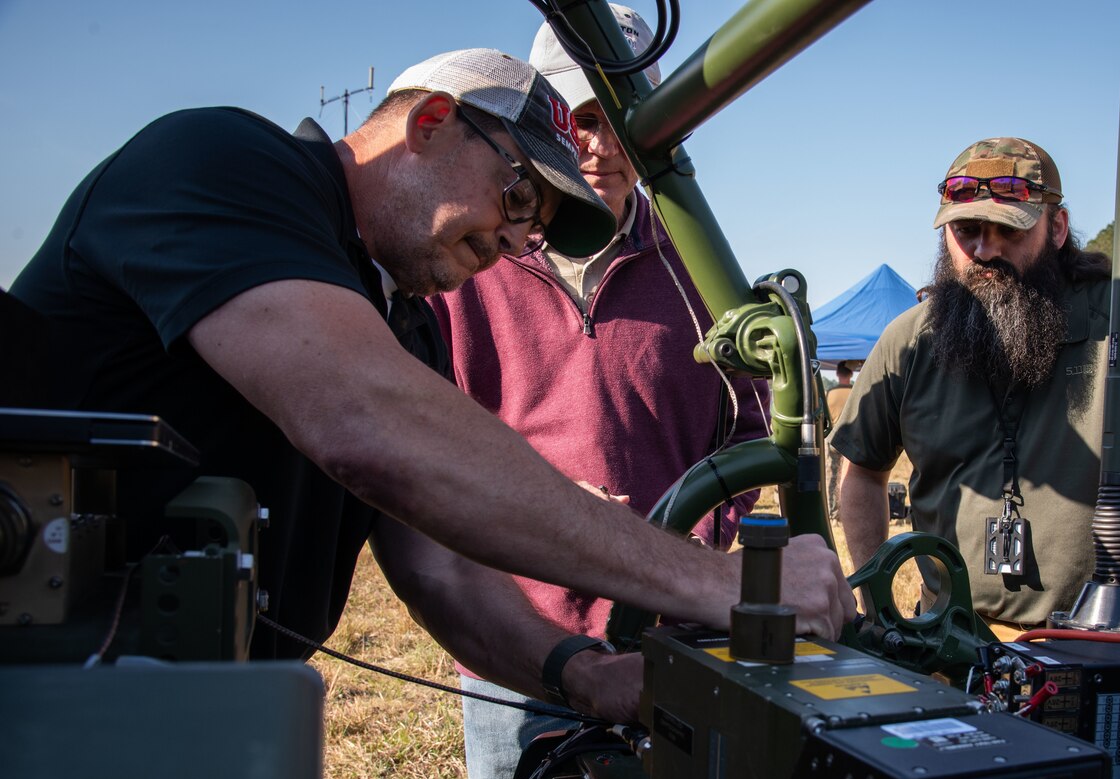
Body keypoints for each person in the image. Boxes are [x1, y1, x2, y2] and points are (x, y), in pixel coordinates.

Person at [4, 49, 853, 716]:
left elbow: (440, 568)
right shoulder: (223, 162)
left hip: (212, 706)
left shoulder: (397, 319)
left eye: (534, 230)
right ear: (434, 122)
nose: (511, 244)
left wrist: (581, 673)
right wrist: (724, 586)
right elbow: (366, 422)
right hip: (51, 684)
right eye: (518, 198)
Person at [427, 9, 771, 779]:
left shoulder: (701, 270)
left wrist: (687, 533)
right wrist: (551, 504)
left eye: (624, 121)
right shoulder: (476, 261)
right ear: (543, 120)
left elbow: (751, 436)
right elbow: (435, 436)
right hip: (524, 646)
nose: (605, 146)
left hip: (669, 641)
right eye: (583, 119)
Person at [833, 137, 1120, 637]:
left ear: (1056, 228)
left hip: (1095, 645)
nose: (983, 249)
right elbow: (861, 472)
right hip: (944, 644)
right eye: (966, 230)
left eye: (1007, 230)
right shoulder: (908, 340)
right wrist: (877, 606)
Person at [824, 362, 854, 520]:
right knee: (853, 476)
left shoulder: (830, 393)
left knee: (832, 476)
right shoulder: (855, 392)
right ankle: (848, 512)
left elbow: (824, 418)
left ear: (837, 374)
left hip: (833, 438)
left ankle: (832, 511)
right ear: (851, 374)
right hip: (852, 439)